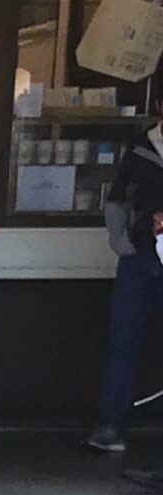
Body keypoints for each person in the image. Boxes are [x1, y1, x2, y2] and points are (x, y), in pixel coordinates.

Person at [86, 119, 163, 456]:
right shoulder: (140, 147)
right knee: (123, 340)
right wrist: (122, 242)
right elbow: (117, 198)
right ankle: (110, 425)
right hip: (141, 256)